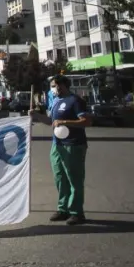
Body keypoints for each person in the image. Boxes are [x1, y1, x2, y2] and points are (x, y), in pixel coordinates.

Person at [48, 75, 92, 225]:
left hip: (73, 144)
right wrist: (35, 116)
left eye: (58, 86)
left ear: (65, 86)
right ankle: (63, 209)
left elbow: (86, 121)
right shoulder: (55, 101)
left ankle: (76, 212)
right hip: (57, 145)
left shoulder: (75, 101)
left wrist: (65, 122)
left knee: (74, 179)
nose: (55, 89)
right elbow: (51, 122)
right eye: (53, 86)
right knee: (60, 178)